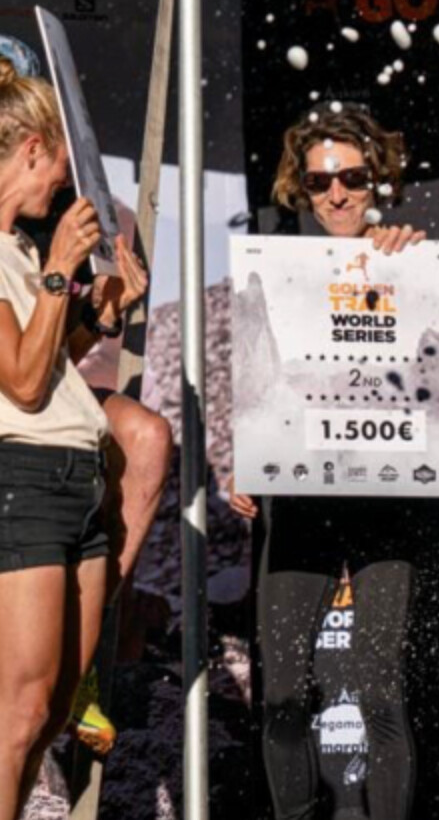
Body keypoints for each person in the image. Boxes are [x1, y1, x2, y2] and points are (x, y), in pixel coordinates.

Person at [228, 107, 425, 820]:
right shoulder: (275, 274)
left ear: (378, 180)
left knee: (380, 693)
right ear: (301, 189)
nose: (337, 193)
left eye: (352, 178)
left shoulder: (415, 259)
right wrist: (249, 457)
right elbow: (260, 381)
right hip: (302, 499)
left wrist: (412, 264)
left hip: (387, 499)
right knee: (282, 695)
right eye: (320, 181)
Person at [0, 62, 147, 820]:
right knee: (17, 714)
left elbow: (47, 362)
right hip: (24, 481)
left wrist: (102, 314)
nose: (63, 185)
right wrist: (62, 265)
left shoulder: (19, 253)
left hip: (79, 480)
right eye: (61, 166)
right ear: (32, 150)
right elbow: (23, 385)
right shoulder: (26, 253)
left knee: (53, 710)